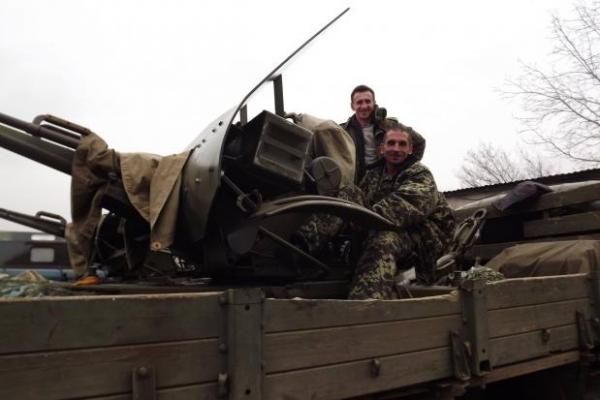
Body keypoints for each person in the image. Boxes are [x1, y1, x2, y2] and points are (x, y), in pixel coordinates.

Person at [295, 123, 455, 299]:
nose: (396, 149)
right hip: (384, 226)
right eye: (391, 143)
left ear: (410, 150)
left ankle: (365, 302)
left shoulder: (420, 174)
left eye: (402, 144)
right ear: (382, 148)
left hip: (423, 239)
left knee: (384, 239)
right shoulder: (374, 175)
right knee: (349, 192)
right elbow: (358, 201)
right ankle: (301, 247)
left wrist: (358, 221)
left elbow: (401, 210)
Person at [341, 85, 424, 182]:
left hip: (385, 182)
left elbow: (419, 142)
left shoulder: (390, 126)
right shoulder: (342, 131)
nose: (364, 106)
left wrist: (405, 166)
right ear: (352, 106)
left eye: (367, 101)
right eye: (359, 102)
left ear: (374, 103)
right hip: (355, 182)